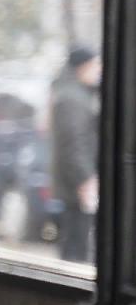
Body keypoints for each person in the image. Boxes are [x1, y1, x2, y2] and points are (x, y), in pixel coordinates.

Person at [50, 46, 102, 263]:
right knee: (75, 246)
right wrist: (85, 180)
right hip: (77, 184)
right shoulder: (72, 99)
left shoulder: (76, 93)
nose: (99, 70)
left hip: (76, 181)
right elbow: (73, 144)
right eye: (96, 65)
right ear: (83, 67)